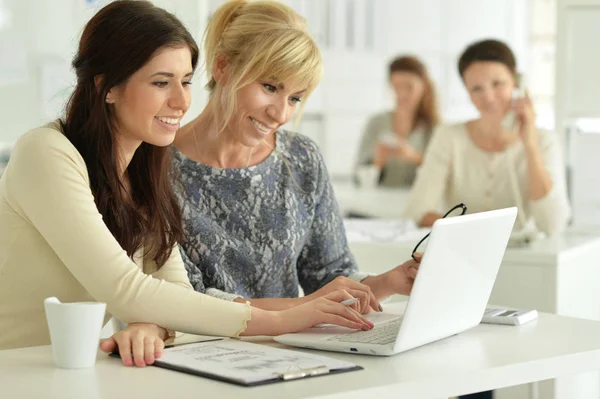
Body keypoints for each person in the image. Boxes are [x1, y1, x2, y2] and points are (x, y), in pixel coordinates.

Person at [0, 0, 375, 367]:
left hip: (71, 373)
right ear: (107, 87)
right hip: (15, 371)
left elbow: (175, 292)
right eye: (161, 82)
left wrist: (154, 326)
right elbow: (125, 290)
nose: (181, 101)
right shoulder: (45, 153)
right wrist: (281, 320)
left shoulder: (141, 169)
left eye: (186, 81)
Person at [172, 0, 420, 315]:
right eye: (269, 86)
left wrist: (391, 281)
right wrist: (302, 307)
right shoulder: (158, 166)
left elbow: (329, 278)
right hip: (195, 353)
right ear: (222, 67)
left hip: (291, 354)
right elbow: (183, 301)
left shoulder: (301, 158)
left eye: (295, 98)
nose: (280, 113)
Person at [403, 39, 570, 236]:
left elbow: (553, 225)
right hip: (464, 255)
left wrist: (530, 146)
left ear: (516, 83)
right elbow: (416, 212)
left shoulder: (545, 141)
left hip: (527, 261)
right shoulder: (449, 137)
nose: (488, 97)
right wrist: (480, 232)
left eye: (497, 83)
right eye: (476, 89)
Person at [354, 55, 440, 188]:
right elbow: (357, 178)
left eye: (409, 87)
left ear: (424, 87)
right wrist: (376, 162)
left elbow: (444, 178)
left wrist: (414, 157)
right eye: (396, 87)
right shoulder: (376, 123)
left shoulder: (435, 128)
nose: (402, 94)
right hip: (377, 203)